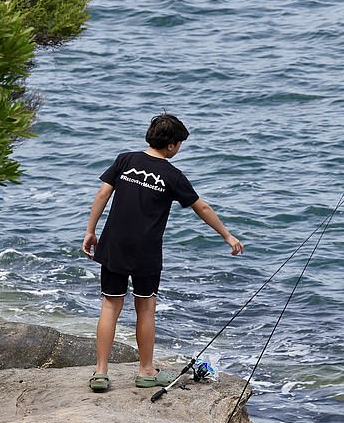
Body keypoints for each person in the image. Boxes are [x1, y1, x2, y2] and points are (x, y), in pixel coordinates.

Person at [82, 113, 243, 392]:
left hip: (114, 245)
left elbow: (102, 195)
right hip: (146, 252)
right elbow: (201, 207)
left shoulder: (126, 160)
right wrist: (227, 235)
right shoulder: (171, 175)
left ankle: (100, 373)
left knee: (110, 306)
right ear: (171, 145)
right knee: (145, 308)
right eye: (180, 144)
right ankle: (145, 371)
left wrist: (90, 230)